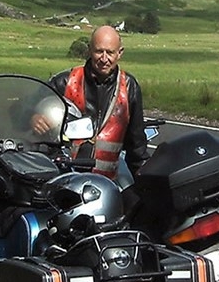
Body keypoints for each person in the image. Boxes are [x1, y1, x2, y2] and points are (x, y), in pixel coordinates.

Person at [36, 25, 148, 181]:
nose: (104, 59)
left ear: (119, 53)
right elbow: (23, 111)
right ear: (89, 50)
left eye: (109, 52)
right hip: (65, 181)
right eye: (98, 51)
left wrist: (148, 184)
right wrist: (33, 118)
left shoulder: (129, 87)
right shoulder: (65, 82)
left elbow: (137, 148)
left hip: (107, 185)